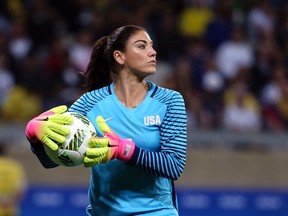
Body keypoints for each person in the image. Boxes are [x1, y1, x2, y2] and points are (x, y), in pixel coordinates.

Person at [25, 25, 187, 215]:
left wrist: (124, 150)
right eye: (142, 46)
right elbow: (53, 161)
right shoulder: (90, 102)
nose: (153, 52)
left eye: (152, 46)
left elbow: (174, 165)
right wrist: (35, 138)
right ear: (120, 56)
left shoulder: (170, 100)